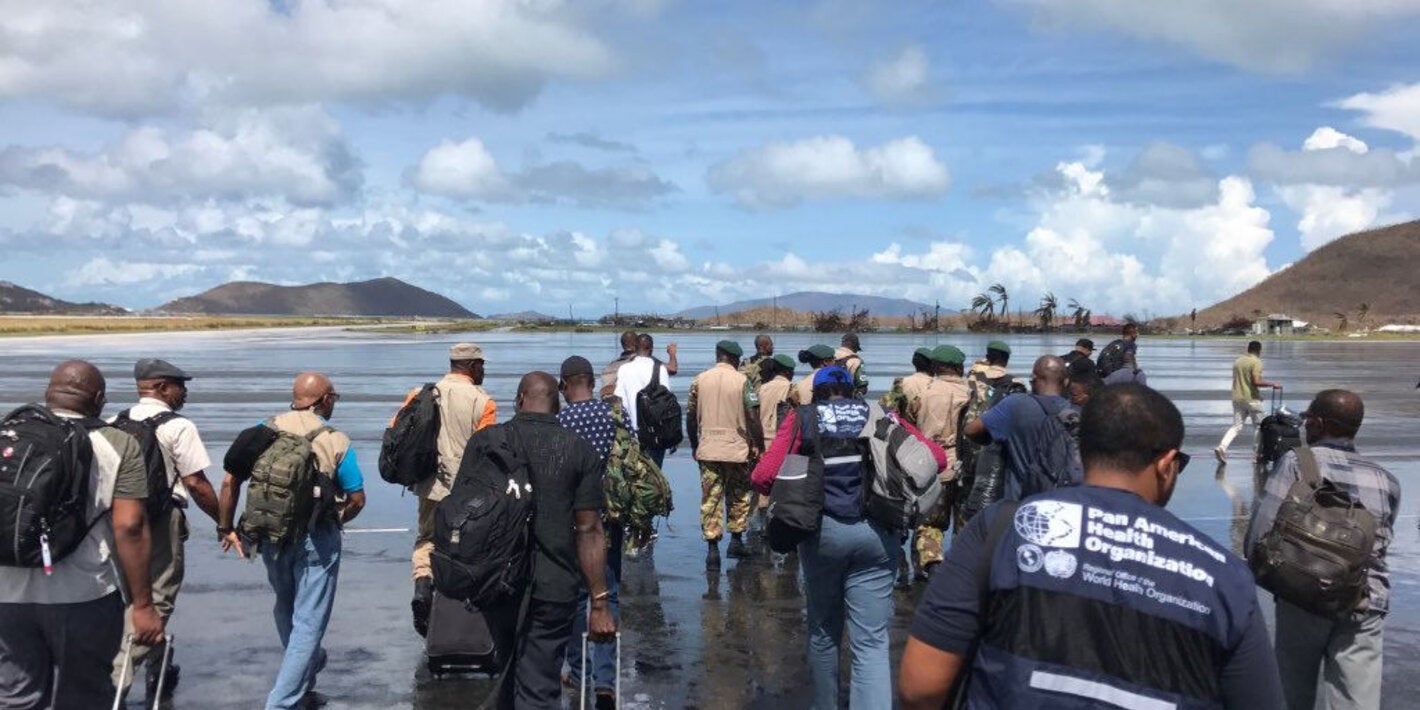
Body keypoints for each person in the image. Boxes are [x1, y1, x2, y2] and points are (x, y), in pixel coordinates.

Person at [900, 383, 1285, 709]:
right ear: (1167, 464)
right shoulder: (1223, 576)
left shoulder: (1001, 529)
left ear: (1083, 450)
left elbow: (920, 687)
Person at [752, 366, 945, 709]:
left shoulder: (803, 417)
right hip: (878, 534)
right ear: (853, 391)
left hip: (823, 535)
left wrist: (800, 471)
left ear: (817, 393)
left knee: (823, 632)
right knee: (871, 642)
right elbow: (936, 459)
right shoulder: (881, 413)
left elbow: (763, 476)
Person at [0, 361, 164, 709]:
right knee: (85, 697)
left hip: (6, 595)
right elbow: (130, 526)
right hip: (84, 594)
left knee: (16, 698)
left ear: (49, 393)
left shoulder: (8, 434)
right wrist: (143, 605)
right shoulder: (118, 443)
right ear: (99, 398)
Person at [217, 372, 366, 710]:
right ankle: (281, 703)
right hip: (317, 539)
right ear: (324, 399)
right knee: (309, 622)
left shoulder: (262, 429)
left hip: (269, 534)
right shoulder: (335, 439)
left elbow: (229, 482)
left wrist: (226, 527)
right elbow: (357, 499)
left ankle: (306, 671)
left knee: (286, 604)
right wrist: (335, 520)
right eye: (334, 397)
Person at [1245, 389, 1400, 710]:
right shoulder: (1386, 480)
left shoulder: (1296, 462)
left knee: (1291, 693)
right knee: (1357, 702)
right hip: (1364, 600)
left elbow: (1259, 534)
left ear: (1318, 423)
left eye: (1307, 419)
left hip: (1304, 593)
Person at [488, 372, 615, 709]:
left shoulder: (487, 442)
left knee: (505, 676)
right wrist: (599, 604)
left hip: (495, 584)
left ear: (519, 401)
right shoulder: (578, 449)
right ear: (557, 406)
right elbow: (589, 529)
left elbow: (463, 512)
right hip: (554, 585)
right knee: (538, 686)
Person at [110, 358, 221, 704]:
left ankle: (159, 668)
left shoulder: (114, 422)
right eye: (179, 385)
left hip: (117, 519)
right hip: (160, 519)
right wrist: (224, 521)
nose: (184, 392)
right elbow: (196, 483)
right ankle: (114, 685)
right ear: (160, 387)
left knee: (133, 597)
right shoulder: (179, 427)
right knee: (157, 599)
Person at [404, 343, 498, 637]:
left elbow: (397, 429)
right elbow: (486, 447)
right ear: (472, 366)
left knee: (427, 537)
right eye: (482, 365)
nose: (483, 370)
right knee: (466, 542)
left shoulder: (421, 394)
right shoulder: (483, 401)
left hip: (429, 484)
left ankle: (423, 586)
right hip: (467, 487)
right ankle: (461, 607)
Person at [556, 357, 625, 709]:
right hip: (611, 516)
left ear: (564, 385)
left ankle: (580, 671)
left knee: (578, 597)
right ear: (592, 383)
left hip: (574, 520)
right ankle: (605, 681)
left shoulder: (561, 421)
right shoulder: (615, 416)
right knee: (608, 593)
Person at [686, 340, 764, 566]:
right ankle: (736, 542)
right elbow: (752, 417)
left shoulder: (699, 380)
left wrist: (694, 445)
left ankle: (712, 551)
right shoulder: (742, 381)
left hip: (708, 448)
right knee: (738, 495)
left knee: (711, 498)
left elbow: (691, 417)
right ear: (734, 358)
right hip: (736, 449)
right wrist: (760, 446)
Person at [962, 354, 1072, 502]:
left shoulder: (1015, 404)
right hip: (1064, 501)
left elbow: (971, 430)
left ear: (1033, 379)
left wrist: (994, 441)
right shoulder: (1077, 412)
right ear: (1066, 382)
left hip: (1020, 502)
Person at [910, 346, 971, 580]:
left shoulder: (925, 393)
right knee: (965, 526)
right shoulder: (975, 391)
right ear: (959, 367)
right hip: (967, 468)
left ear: (935, 367)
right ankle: (962, 571)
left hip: (935, 466)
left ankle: (933, 566)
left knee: (930, 524)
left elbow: (911, 426)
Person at [613, 333, 678, 467]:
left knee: (632, 476)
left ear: (635, 348)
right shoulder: (659, 369)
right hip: (655, 436)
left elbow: (618, 401)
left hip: (632, 435)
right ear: (651, 349)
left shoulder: (624, 369)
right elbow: (666, 403)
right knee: (655, 475)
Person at [1214, 340, 1280, 463]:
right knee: (1259, 427)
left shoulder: (1238, 361)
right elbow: (1256, 381)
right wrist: (1272, 384)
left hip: (1237, 397)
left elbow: (1240, 381)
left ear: (1248, 349)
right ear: (1259, 350)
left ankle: (1222, 447)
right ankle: (1257, 455)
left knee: (1236, 426)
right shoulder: (1256, 362)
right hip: (1251, 399)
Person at [880, 347, 934, 420]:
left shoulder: (901, 382)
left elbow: (886, 404)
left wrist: (898, 419)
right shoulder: (938, 384)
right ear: (932, 365)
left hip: (908, 425)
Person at [600, 331, 639, 400]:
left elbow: (605, 394)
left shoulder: (609, 368)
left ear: (622, 345)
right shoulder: (644, 364)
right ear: (637, 344)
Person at [835, 332, 869, 396]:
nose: (856, 352)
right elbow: (863, 386)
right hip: (845, 397)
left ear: (842, 343)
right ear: (854, 347)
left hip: (825, 396)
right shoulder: (857, 361)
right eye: (857, 349)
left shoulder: (829, 355)